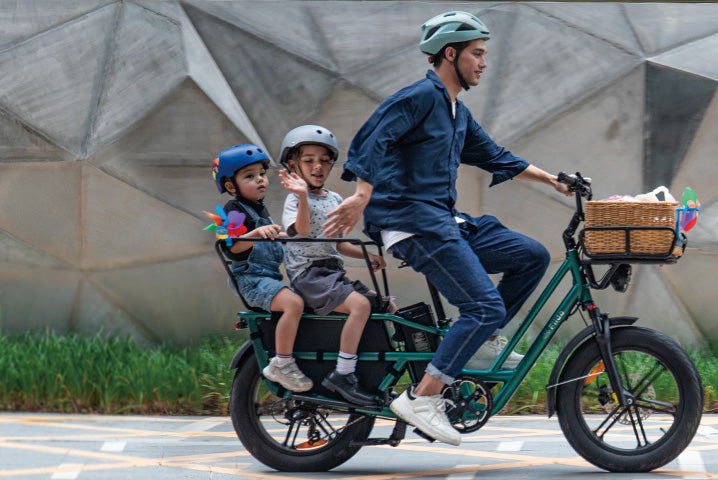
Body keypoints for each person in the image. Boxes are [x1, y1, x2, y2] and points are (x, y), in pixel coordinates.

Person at [323, 11, 573, 445]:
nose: (483, 63)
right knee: (484, 306)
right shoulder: (420, 96)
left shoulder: (456, 111)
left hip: (444, 220)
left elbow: (495, 155)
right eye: (477, 54)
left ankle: (480, 341)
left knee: (529, 255)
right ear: (450, 54)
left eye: (484, 55)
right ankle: (423, 396)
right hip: (412, 222)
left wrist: (553, 179)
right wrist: (362, 194)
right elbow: (373, 137)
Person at [277, 125, 395, 407]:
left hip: (332, 271)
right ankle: (343, 374)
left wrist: (367, 256)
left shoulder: (335, 199)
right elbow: (302, 230)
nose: (318, 166)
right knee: (361, 306)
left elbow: (337, 243)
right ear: (293, 165)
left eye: (324, 160)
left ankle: (380, 369)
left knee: (384, 305)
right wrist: (303, 196)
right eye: (308, 160)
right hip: (309, 276)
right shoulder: (294, 200)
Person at [211, 144, 312, 392]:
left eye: (261, 174)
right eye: (249, 176)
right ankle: (282, 364)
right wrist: (256, 233)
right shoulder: (233, 210)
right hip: (250, 279)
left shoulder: (259, 209)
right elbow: (230, 247)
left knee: (304, 301)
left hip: (268, 278)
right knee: (294, 304)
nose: (259, 180)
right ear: (231, 186)